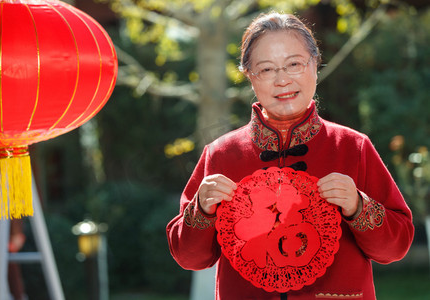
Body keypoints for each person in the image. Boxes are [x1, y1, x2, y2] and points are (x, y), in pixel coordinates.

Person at [166, 11, 414, 300]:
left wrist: (359, 205)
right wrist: (202, 210)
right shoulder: (221, 154)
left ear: (315, 65)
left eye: (294, 64)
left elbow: (395, 248)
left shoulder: (352, 147)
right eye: (267, 69)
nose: (282, 80)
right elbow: (189, 258)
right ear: (249, 76)